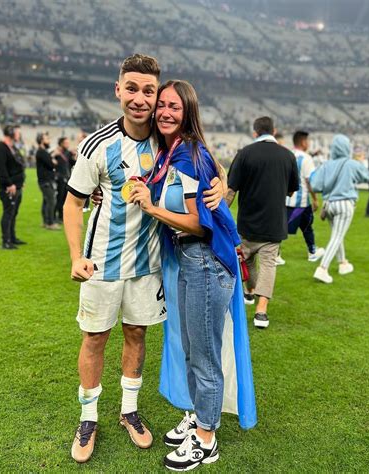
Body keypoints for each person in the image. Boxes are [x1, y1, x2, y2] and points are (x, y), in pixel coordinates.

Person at [63, 55, 223, 464]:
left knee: (137, 336)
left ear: (156, 96)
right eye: (131, 88)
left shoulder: (165, 138)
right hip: (101, 264)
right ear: (118, 89)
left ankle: (129, 411)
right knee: (95, 338)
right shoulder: (96, 145)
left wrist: (223, 184)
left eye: (148, 91)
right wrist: (75, 256)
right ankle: (88, 418)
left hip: (148, 266)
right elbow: (72, 202)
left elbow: (206, 159)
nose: (139, 98)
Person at [130, 79, 256, 471]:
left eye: (175, 107)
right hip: (191, 262)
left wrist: (152, 208)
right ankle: (197, 418)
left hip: (204, 261)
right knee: (191, 349)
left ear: (188, 114)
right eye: (162, 105)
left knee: (203, 356)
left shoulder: (186, 153)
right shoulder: (175, 153)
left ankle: (206, 438)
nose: (165, 112)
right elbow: (208, 176)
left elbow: (198, 224)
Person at [226, 116, 299, 328]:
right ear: (274, 131)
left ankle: (249, 292)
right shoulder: (288, 156)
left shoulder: (245, 153)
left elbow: (231, 190)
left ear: (255, 132)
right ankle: (261, 311)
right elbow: (292, 189)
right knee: (268, 265)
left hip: (248, 222)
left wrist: (218, 215)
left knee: (247, 260)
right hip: (274, 222)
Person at [310, 134, 369, 284]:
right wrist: (361, 162)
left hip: (329, 204)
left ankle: (343, 263)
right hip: (345, 204)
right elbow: (366, 177)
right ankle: (322, 268)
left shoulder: (325, 165)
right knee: (337, 236)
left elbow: (316, 186)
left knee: (337, 235)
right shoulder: (351, 163)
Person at [284, 131, 324, 262]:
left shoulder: (287, 155)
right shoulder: (306, 158)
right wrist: (315, 198)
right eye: (308, 141)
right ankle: (312, 252)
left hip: (286, 199)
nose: (309, 143)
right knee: (303, 227)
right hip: (300, 200)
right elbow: (309, 181)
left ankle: (312, 251)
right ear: (303, 142)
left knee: (303, 225)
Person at [0, 124, 26, 249]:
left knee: (13, 213)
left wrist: (21, 182)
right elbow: (1, 169)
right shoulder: (0, 147)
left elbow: (18, 166)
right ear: (11, 133)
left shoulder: (13, 147)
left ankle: (12, 237)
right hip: (9, 187)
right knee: (8, 213)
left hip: (17, 186)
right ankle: (5, 241)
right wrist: (9, 184)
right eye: (17, 132)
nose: (19, 135)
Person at [36, 132, 60, 230]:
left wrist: (52, 157)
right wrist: (53, 159)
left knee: (46, 201)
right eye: (47, 139)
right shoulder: (41, 152)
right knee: (51, 201)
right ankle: (50, 223)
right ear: (41, 140)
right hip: (46, 181)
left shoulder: (43, 152)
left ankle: (45, 222)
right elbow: (51, 164)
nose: (48, 141)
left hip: (45, 180)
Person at [54, 136, 76, 223]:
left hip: (67, 178)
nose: (68, 144)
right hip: (59, 178)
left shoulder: (69, 153)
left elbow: (73, 163)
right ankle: (56, 216)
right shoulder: (57, 152)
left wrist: (74, 157)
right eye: (66, 143)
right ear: (61, 144)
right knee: (59, 198)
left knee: (65, 199)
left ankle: (62, 216)